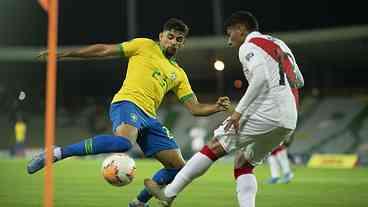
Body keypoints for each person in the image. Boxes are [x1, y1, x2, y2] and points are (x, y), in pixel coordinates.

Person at [27, 18, 231, 207]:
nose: (174, 42)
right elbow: (105, 50)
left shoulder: (178, 74)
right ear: (161, 36)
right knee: (123, 143)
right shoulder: (144, 45)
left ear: (182, 43)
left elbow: (195, 108)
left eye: (179, 39)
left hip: (150, 118)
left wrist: (216, 107)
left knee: (179, 168)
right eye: (170, 36)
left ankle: (139, 203)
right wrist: (65, 54)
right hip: (127, 103)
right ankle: (56, 153)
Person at [144, 11, 304, 207]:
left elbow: (261, 78)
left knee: (214, 146)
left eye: (230, 33)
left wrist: (238, 113)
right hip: (288, 117)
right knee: (243, 163)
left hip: (269, 112)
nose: (229, 40)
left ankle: (169, 193)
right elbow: (298, 80)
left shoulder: (249, 46)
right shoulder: (279, 44)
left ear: (241, 29)